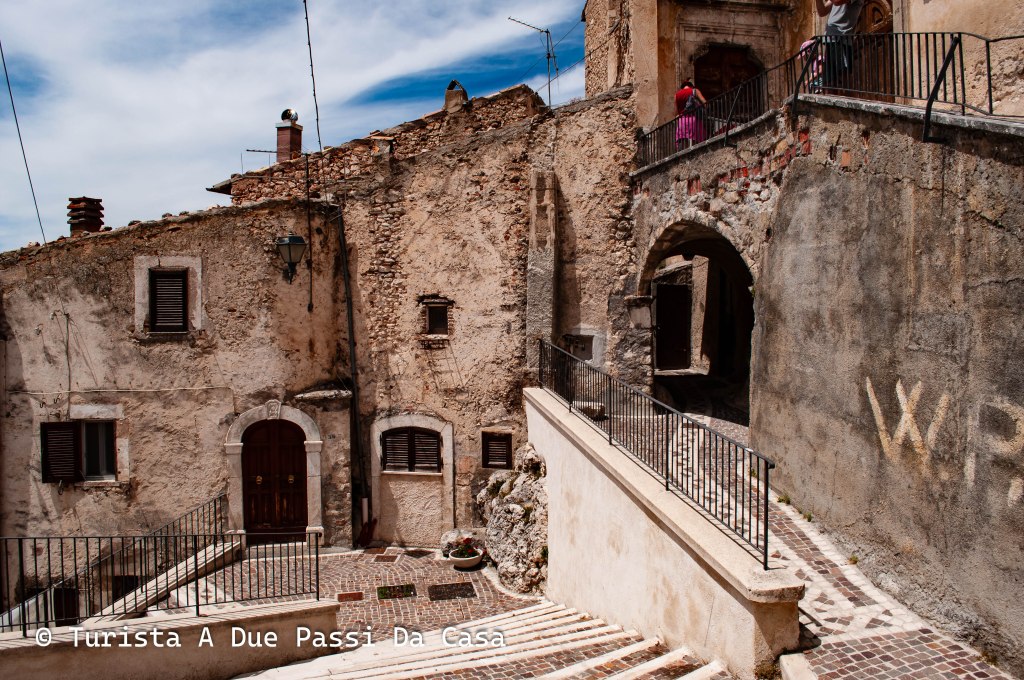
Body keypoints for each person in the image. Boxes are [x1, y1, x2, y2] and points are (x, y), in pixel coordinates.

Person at [815, 0, 864, 90]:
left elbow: (837, 1)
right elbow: (822, 12)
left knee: (841, 77)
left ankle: (845, 97)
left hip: (841, 39)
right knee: (829, 80)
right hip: (831, 38)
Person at [674, 79, 707, 146]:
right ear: (691, 86)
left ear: (682, 87)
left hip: (682, 122)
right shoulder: (695, 91)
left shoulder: (676, 95)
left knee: (684, 144)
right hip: (694, 119)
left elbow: (676, 112)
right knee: (696, 143)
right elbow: (705, 103)